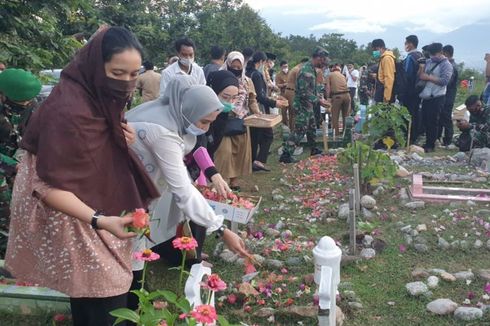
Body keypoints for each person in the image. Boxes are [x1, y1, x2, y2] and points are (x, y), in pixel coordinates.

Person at [5, 27, 160, 326]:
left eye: (133, 75)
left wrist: (118, 138)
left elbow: (94, 149)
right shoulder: (67, 110)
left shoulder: (99, 95)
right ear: (95, 67)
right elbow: (47, 185)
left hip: (96, 200)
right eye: (118, 73)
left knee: (93, 291)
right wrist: (100, 220)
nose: (126, 83)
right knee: (104, 288)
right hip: (71, 209)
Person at [126, 76, 249, 268]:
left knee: (134, 251)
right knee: (129, 257)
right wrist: (221, 230)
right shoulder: (163, 133)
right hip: (121, 194)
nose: (205, 128)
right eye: (204, 121)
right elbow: (183, 189)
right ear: (190, 110)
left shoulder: (172, 117)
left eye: (210, 123)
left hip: (135, 190)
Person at [209, 53, 260, 190]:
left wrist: (257, 113)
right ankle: (221, 178)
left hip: (240, 120)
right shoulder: (220, 77)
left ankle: (234, 180)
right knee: (224, 152)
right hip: (223, 120)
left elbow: (252, 101)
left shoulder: (247, 81)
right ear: (228, 64)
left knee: (239, 152)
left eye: (239, 66)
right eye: (233, 66)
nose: (236, 69)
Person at [0, 68, 41, 232]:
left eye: (28, 101)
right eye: (21, 102)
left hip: (23, 164)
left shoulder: (34, 108)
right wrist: (12, 166)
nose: (26, 105)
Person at [279, 47, 330, 163]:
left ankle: (314, 149)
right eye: (323, 60)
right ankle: (286, 154)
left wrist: (319, 96)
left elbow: (311, 89)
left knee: (311, 127)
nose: (324, 63)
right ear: (317, 58)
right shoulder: (306, 71)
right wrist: (319, 101)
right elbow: (304, 92)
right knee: (300, 130)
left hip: (308, 105)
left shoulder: (312, 69)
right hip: (302, 105)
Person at [246, 51, 288, 171]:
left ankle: (253, 161)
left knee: (255, 137)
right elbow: (259, 96)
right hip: (258, 109)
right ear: (261, 62)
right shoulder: (257, 75)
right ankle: (258, 161)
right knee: (267, 135)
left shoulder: (248, 73)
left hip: (249, 110)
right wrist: (275, 103)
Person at [418, 42, 453, 152]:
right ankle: (427, 141)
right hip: (426, 96)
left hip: (437, 96)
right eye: (431, 54)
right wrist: (421, 67)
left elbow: (444, 81)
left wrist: (428, 77)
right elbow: (420, 75)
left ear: (441, 52)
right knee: (425, 120)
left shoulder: (446, 65)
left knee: (433, 121)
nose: (433, 57)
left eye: (435, 54)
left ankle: (430, 144)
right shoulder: (429, 61)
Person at [401, 35, 424, 144]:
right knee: (415, 113)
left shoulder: (410, 57)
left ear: (410, 44)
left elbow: (407, 75)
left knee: (408, 114)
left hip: (409, 91)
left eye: (406, 43)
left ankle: (408, 138)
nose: (405, 45)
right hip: (419, 90)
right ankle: (414, 137)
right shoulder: (420, 56)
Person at [438, 45, 459, 146]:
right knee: (442, 117)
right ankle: (440, 138)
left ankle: (448, 140)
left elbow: (447, 82)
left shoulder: (451, 67)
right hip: (446, 96)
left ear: (445, 53)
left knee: (446, 118)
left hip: (448, 96)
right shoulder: (451, 65)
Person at [326, 63, 351, 136]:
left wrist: (328, 99)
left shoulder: (329, 75)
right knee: (346, 116)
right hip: (347, 95)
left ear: (332, 69)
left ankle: (336, 134)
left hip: (337, 96)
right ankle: (346, 134)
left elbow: (328, 88)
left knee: (335, 116)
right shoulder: (343, 76)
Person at [284, 57, 309, 130]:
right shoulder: (299, 70)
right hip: (292, 92)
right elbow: (301, 83)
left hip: (288, 91)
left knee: (291, 113)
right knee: (295, 113)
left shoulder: (295, 68)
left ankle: (291, 130)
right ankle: (294, 131)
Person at [371, 39, 396, 103]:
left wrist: (386, 97)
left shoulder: (387, 58)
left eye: (374, 50)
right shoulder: (383, 58)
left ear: (380, 48)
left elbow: (389, 78)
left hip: (384, 95)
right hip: (381, 92)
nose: (374, 53)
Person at [275, 60, 289, 125]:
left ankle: (291, 124)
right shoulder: (278, 75)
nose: (286, 68)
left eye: (286, 66)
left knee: (292, 109)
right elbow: (277, 85)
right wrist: (284, 84)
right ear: (281, 67)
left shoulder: (291, 73)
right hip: (283, 94)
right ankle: (284, 123)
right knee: (284, 110)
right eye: (284, 67)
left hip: (291, 93)